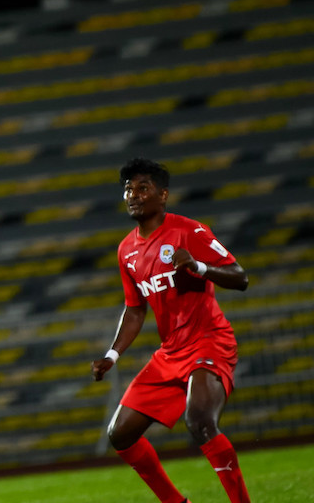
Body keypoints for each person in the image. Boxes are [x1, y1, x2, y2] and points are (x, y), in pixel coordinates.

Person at [91, 158, 251, 503]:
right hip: (170, 352)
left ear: (163, 195)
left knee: (200, 422)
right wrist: (112, 354)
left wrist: (199, 266)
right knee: (119, 435)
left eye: (142, 188)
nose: (133, 195)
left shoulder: (189, 231)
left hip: (209, 340)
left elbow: (240, 277)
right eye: (128, 189)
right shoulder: (126, 250)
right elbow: (135, 309)